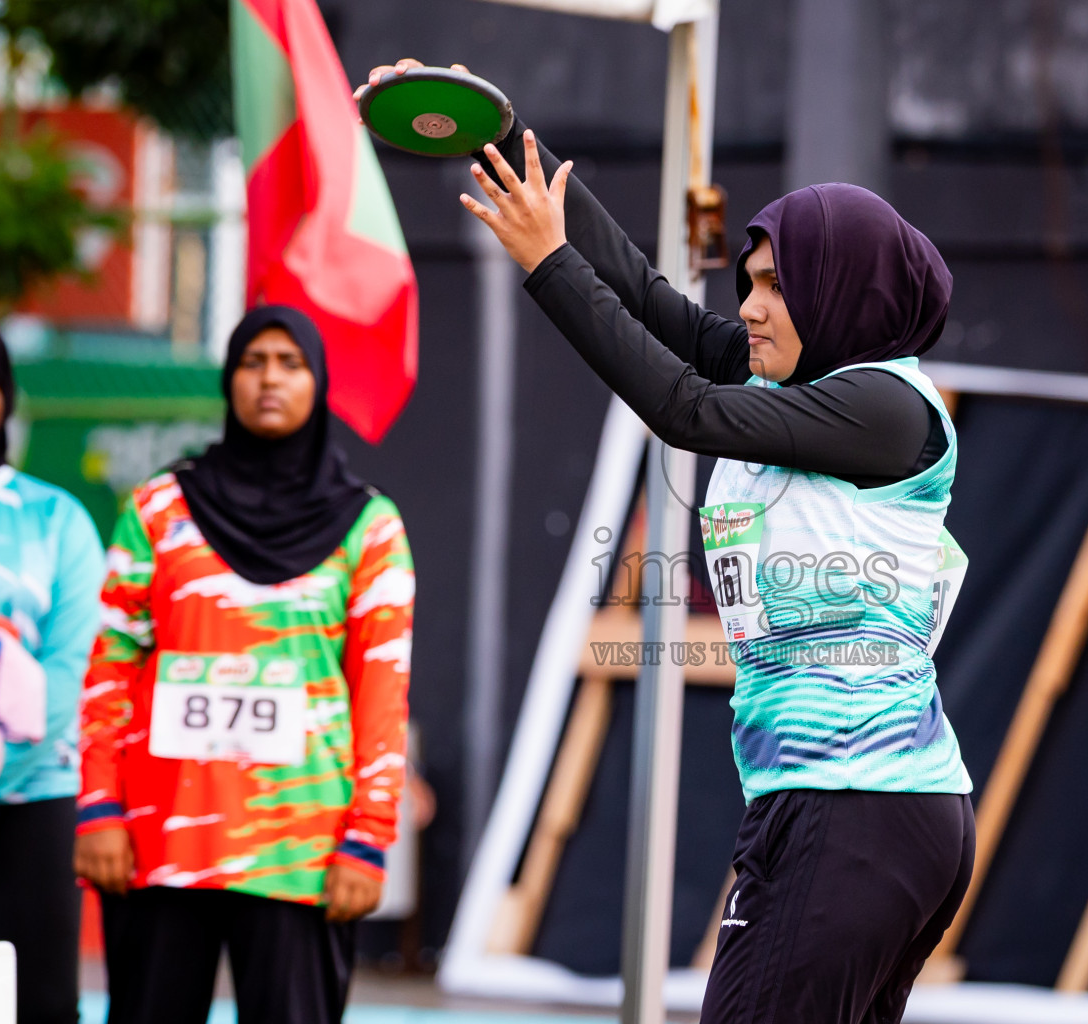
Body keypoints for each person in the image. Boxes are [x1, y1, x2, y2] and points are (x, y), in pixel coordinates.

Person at [363, 58, 974, 1024]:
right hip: (826, 808)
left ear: (842, 291)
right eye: (750, 283)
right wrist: (503, 136)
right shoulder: (800, 386)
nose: (751, 307)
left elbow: (683, 409)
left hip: (861, 809)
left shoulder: (885, 406)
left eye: (777, 286)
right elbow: (653, 303)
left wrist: (545, 262)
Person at [74, 307, 414, 1024]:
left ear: (319, 383)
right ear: (229, 379)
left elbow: (382, 694)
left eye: (291, 363)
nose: (270, 379)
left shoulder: (370, 526)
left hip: (305, 852)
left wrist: (370, 837)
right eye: (253, 362)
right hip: (161, 838)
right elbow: (110, 668)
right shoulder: (158, 507)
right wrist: (99, 807)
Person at [0, 316, 105, 1024]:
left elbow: (69, 668)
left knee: (34, 1004)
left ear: (7, 393)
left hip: (33, 799)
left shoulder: (57, 519)